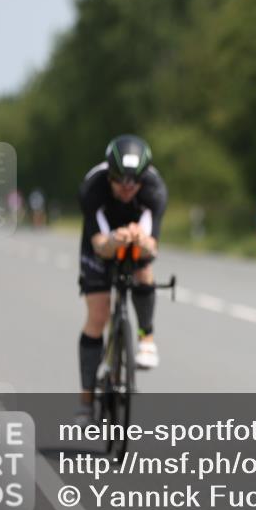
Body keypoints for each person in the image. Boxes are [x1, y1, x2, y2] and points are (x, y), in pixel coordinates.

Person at [75, 135, 167, 424]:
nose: (127, 189)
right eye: (120, 182)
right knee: (98, 315)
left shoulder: (154, 190)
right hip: (101, 242)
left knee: (143, 271)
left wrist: (140, 240)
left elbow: (153, 247)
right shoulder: (93, 188)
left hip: (135, 239)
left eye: (134, 183)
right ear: (110, 176)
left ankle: (146, 339)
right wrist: (115, 240)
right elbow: (100, 244)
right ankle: (87, 400)